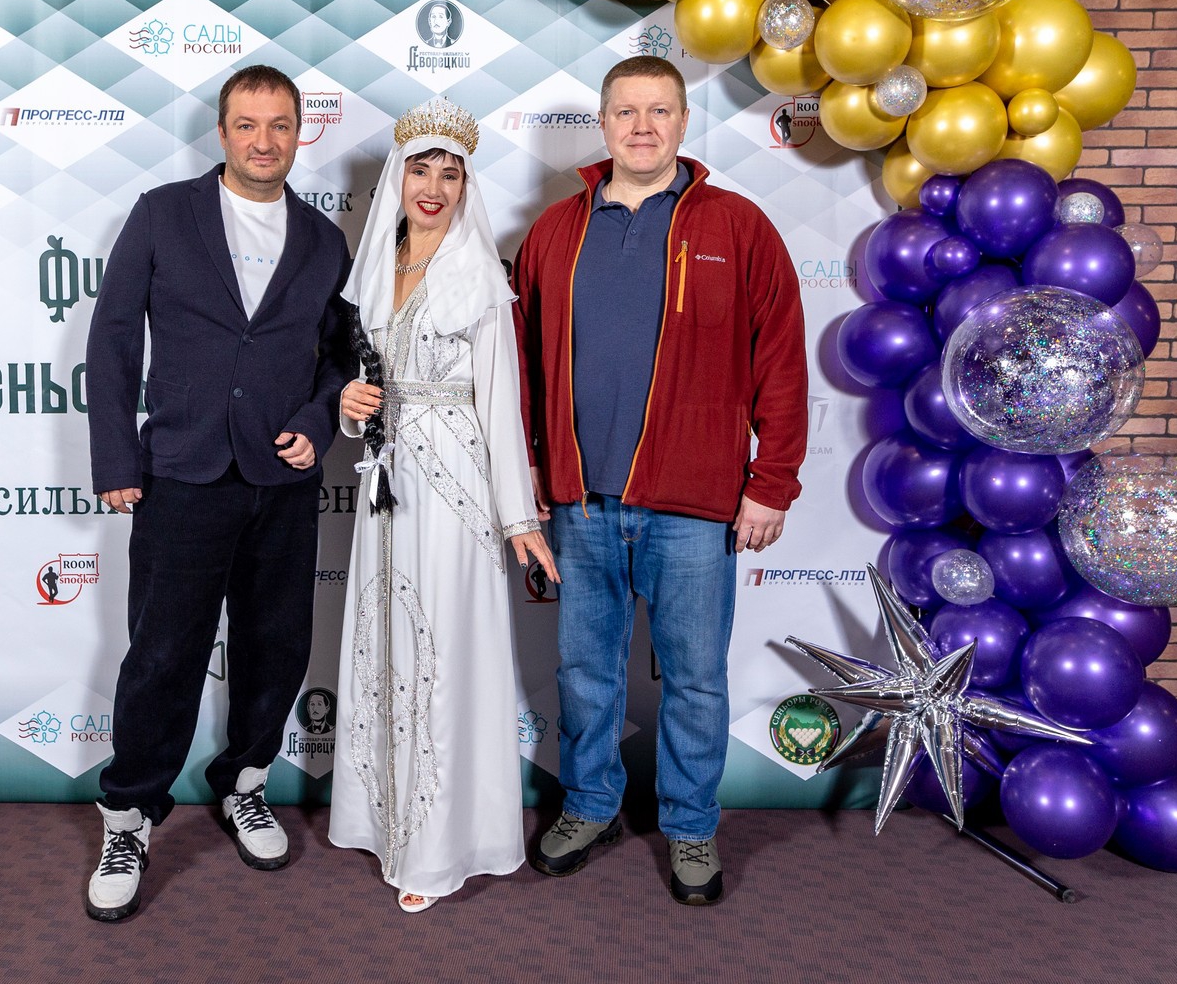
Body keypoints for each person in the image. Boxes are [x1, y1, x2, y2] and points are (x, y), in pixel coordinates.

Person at [511, 55, 808, 907]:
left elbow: (782, 360)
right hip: (581, 502)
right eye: (626, 112)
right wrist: (529, 471)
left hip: (695, 504)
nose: (643, 127)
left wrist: (772, 482)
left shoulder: (738, 226)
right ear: (604, 124)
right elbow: (522, 366)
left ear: (682, 122)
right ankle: (589, 805)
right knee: (585, 674)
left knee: (695, 679)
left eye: (660, 111)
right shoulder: (554, 231)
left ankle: (690, 825)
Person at [82, 64, 351, 923]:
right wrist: (115, 460)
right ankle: (129, 816)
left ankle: (245, 782)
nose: (264, 141)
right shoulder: (164, 213)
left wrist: (317, 420)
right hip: (183, 472)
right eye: (247, 124)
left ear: (300, 132)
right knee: (162, 655)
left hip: (283, 479)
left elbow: (339, 357)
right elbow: (113, 338)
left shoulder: (323, 240)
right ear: (223, 131)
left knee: (276, 646)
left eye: (280, 125)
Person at [329, 96, 558, 914]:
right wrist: (347, 406)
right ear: (398, 177)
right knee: (384, 642)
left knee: (445, 653)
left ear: (467, 186)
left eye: (449, 174)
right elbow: (361, 379)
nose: (432, 187)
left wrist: (519, 517)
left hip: (455, 485)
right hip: (384, 484)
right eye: (420, 170)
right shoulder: (374, 267)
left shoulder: (480, 276)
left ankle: (437, 849)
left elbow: (501, 402)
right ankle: (385, 823)